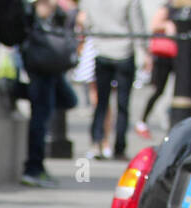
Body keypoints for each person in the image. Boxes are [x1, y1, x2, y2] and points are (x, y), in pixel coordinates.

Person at [20, 0, 79, 187]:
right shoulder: (32, 10)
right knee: (40, 117)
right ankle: (34, 168)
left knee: (68, 100)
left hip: (52, 67)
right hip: (40, 66)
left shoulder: (58, 13)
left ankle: (15, 88)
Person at [80, 0, 146, 159]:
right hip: (124, 51)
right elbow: (137, 26)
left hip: (101, 49)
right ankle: (119, 147)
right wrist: (143, 51)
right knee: (123, 104)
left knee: (101, 102)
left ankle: (97, 142)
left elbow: (86, 22)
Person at [135, 3, 176, 138]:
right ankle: (142, 121)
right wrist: (167, 25)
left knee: (178, 90)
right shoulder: (167, 8)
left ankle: (170, 120)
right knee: (158, 90)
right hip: (163, 54)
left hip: (176, 54)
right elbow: (153, 26)